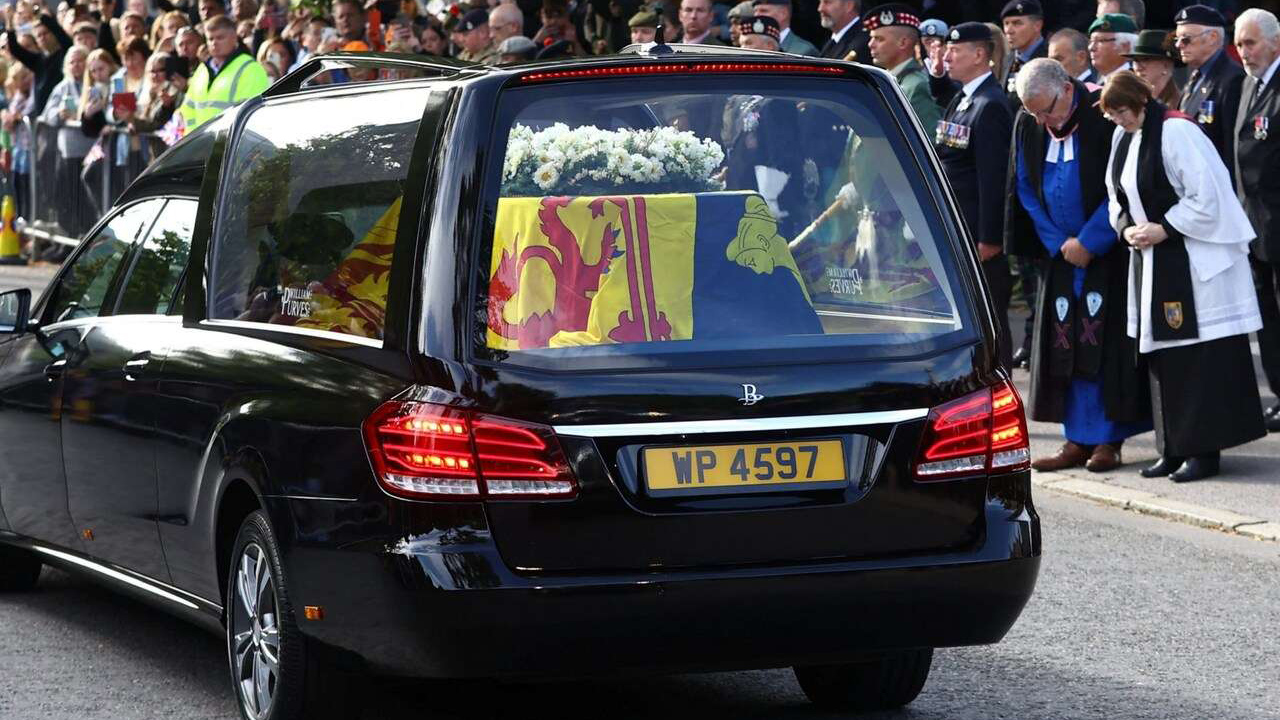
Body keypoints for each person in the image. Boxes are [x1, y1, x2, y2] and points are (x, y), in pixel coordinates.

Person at [1102, 71, 1264, 482]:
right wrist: (1125, 228)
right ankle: (1171, 447)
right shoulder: (1124, 136)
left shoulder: (1177, 131)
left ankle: (1203, 452)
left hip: (1191, 263)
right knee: (1162, 357)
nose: (1119, 121)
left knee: (1194, 359)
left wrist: (1165, 228)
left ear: (1141, 102)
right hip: (1152, 263)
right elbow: (1115, 196)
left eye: (1123, 112)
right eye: (1113, 115)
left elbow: (1208, 196)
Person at [1014, 59, 1150, 472]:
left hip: (1104, 253)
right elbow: (1024, 186)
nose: (1042, 119)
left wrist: (1090, 241)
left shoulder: (1100, 115)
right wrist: (1058, 243)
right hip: (1060, 257)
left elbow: (1123, 186)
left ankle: (1109, 440)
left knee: (1103, 347)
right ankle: (1074, 439)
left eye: (1047, 109)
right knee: (1064, 346)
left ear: (1068, 89)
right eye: (1033, 112)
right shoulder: (1030, 123)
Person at [936, 22, 1015, 369]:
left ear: (980, 54)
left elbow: (994, 178)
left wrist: (990, 238)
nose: (946, 56)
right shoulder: (964, 98)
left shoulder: (991, 104)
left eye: (955, 50)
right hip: (960, 230)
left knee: (990, 322)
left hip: (978, 237)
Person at [1231, 8, 1280, 431]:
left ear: (1275, 42)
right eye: (1240, 44)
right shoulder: (1250, 84)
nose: (1243, 52)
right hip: (1256, 227)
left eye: (1250, 43)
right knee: (1268, 318)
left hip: (1279, 224)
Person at [1174, 5, 1244, 180]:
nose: (1178, 45)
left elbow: (1231, 147)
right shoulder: (1196, 77)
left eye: (1186, 39)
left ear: (1212, 37)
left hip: (1216, 183)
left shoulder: (1232, 79)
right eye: (1177, 39)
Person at [40, 46, 95, 240]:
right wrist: (60, 114)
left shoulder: (93, 85)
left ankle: (87, 236)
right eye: (72, 61)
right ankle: (70, 238)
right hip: (68, 152)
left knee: (87, 198)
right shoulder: (62, 87)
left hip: (90, 150)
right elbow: (48, 114)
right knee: (67, 196)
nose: (76, 65)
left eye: (80, 60)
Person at [179, 15, 269, 130]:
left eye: (220, 38)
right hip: (201, 144)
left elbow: (249, 115)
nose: (214, 43)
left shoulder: (251, 69)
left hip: (230, 145)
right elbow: (188, 108)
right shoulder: (202, 69)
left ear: (234, 38)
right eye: (210, 39)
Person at [865, 4, 940, 130]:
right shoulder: (884, 79)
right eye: (871, 38)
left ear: (903, 43)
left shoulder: (917, 86)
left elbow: (928, 140)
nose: (870, 44)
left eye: (879, 39)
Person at [1000, 0, 1046, 104]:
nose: (1009, 30)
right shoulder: (1008, 60)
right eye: (1006, 23)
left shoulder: (1051, 57)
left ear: (1037, 26)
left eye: (1017, 23)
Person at [1125, 29, 1180, 105]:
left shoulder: (1180, 103)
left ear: (1166, 65)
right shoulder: (1131, 101)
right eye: (1136, 60)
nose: (1138, 68)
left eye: (1146, 60)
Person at [752, 0, 818, 56]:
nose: (756, 15)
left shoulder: (803, 51)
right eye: (755, 11)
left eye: (764, 11)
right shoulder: (752, 46)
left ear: (783, 14)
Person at [1088, 13, 1137, 81]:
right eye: (1091, 41)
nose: (1091, 48)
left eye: (1101, 41)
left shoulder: (1135, 84)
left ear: (1125, 47)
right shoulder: (1093, 84)